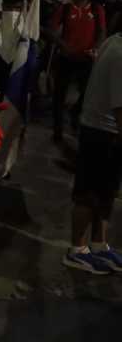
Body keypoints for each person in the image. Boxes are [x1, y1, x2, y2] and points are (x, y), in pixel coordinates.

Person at [62, 30, 122, 275]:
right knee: (88, 194)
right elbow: (120, 109)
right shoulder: (119, 53)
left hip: (107, 130)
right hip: (102, 132)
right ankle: (77, 250)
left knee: (107, 192)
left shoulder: (114, 41)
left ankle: (99, 244)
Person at [50, 0, 107, 142]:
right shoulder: (65, 8)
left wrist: (96, 48)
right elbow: (52, 30)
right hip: (66, 58)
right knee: (59, 95)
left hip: (86, 60)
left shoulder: (97, 9)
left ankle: (76, 118)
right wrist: (62, 45)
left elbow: (102, 32)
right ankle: (58, 129)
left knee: (86, 95)